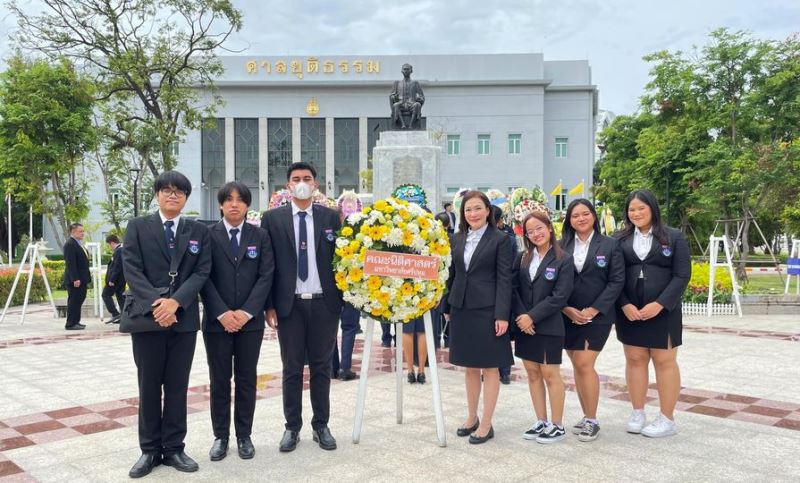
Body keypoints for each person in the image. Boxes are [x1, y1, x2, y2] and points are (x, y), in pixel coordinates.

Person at [121, 171, 212, 478]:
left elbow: (202, 271)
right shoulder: (137, 226)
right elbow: (130, 268)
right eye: (167, 190)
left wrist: (177, 302)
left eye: (180, 192)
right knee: (148, 386)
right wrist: (158, 304)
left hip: (183, 320)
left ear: (187, 198)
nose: (173, 195)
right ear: (157, 194)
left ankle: (173, 448)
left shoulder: (198, 230)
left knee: (177, 387)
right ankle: (149, 450)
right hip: (148, 319)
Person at [261, 162, 343, 452]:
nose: (302, 183)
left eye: (307, 178)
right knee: (292, 368)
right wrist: (269, 305)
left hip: (324, 304)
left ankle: (321, 425)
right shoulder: (272, 219)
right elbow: (267, 265)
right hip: (289, 305)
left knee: (322, 367)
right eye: (296, 179)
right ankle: (292, 427)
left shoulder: (332, 217)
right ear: (288, 186)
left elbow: (342, 259)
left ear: (316, 185)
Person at [201, 182, 275, 462]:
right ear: (220, 204)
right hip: (216, 323)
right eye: (228, 199)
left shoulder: (261, 236)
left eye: (240, 200)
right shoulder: (207, 234)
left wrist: (245, 313)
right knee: (219, 380)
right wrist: (222, 313)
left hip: (250, 323)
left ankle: (244, 435)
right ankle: (221, 436)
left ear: (247, 205)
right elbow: (202, 276)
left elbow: (266, 276)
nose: (234, 204)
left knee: (246, 379)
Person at [615, 189, 691, 438]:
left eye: (641, 208)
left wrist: (660, 304)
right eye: (632, 209)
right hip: (630, 312)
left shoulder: (674, 237)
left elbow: (682, 274)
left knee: (664, 361)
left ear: (652, 209)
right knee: (635, 359)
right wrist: (624, 304)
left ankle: (667, 418)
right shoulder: (619, 239)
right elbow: (614, 277)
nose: (636, 213)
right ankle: (638, 412)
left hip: (663, 311)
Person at [443, 190, 513, 445]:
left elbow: (505, 279)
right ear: (463, 213)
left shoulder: (501, 239)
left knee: (490, 366)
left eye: (477, 208)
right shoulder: (457, 238)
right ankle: (471, 416)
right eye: (468, 209)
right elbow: (452, 275)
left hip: (488, 309)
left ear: (487, 210)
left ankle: (486, 422)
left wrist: (502, 315)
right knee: (470, 366)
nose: (473, 213)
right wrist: (447, 306)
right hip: (462, 308)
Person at [560, 199, 624, 442]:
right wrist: (566, 309)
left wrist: (594, 309)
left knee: (585, 363)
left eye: (585, 214)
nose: (580, 219)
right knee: (577, 364)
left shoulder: (610, 245)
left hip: (597, 316)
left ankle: (593, 419)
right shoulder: (561, 245)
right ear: (569, 220)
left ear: (594, 216)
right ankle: (586, 416)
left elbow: (616, 281)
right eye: (575, 215)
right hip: (567, 315)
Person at [512, 211, 574, 444]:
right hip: (524, 327)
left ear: (549, 228)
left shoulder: (563, 259)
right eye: (530, 231)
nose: (536, 234)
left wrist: (532, 317)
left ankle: (557, 425)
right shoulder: (522, 258)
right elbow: (514, 289)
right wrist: (522, 317)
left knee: (550, 374)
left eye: (539, 228)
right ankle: (541, 420)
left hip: (548, 326)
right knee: (533, 374)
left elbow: (560, 297)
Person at [492, 205, 517, 385]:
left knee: (501, 334)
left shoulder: (507, 239)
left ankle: (504, 371)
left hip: (502, 293)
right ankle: (496, 370)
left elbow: (511, 270)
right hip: (485, 297)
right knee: (495, 335)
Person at [431, 212, 453, 348]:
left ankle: (436, 341)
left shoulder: (432, 240)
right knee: (447, 311)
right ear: (448, 224)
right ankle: (448, 340)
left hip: (436, 281)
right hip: (449, 281)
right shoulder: (453, 238)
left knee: (437, 313)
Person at [63, 223, 91, 330]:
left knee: (79, 299)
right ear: (73, 232)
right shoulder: (70, 244)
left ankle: (76, 321)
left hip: (82, 278)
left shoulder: (78, 243)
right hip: (75, 279)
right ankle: (70, 323)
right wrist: (75, 278)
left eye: (83, 231)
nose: (83, 233)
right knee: (74, 300)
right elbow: (71, 264)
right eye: (80, 231)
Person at [390, 63, 425, 129]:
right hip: (401, 104)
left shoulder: (415, 83)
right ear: (402, 71)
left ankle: (411, 125)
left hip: (411, 104)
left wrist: (420, 98)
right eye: (404, 69)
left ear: (411, 71)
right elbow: (392, 94)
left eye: (408, 69)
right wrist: (393, 97)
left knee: (417, 105)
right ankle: (402, 124)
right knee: (395, 105)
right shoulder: (397, 83)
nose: (406, 71)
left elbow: (422, 97)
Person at [102, 234, 125, 324]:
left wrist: (112, 279)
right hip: (121, 279)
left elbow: (116, 267)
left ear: (111, 243)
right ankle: (123, 316)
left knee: (106, 295)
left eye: (108, 244)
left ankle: (115, 314)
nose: (109, 247)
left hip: (116, 280)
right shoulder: (121, 250)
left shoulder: (119, 251)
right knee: (120, 296)